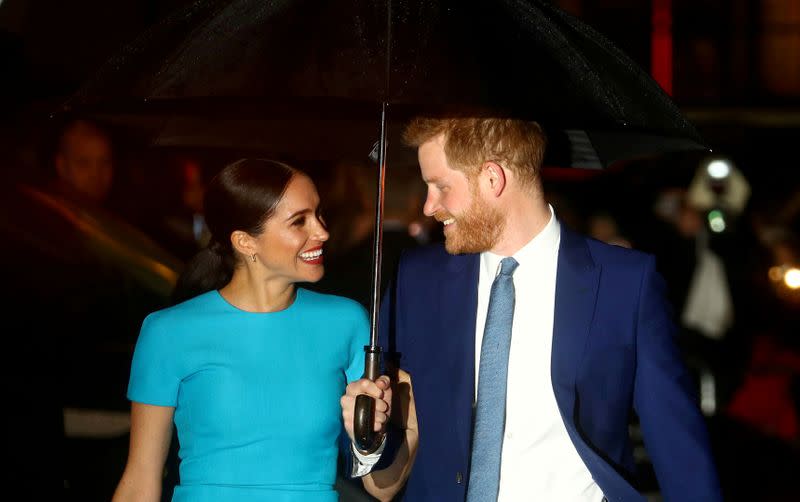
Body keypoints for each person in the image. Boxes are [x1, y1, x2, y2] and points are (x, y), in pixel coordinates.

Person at [354, 117, 722, 501]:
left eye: (441, 187)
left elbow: (677, 445)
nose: (429, 206)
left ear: (492, 179)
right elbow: (392, 439)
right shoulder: (418, 279)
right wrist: (369, 436)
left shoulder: (625, 283)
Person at [112, 158, 401, 502]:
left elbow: (382, 488)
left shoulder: (346, 321)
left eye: (319, 214)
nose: (322, 231)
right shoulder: (168, 331)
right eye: (299, 222)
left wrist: (386, 433)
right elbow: (139, 483)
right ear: (245, 242)